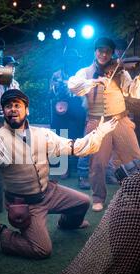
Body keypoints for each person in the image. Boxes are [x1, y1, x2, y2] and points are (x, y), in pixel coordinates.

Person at [0, 89, 117, 259]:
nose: (13, 109)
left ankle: (66, 224)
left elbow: (75, 147)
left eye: (17, 105)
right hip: (26, 204)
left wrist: (100, 132)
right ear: (4, 111)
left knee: (83, 202)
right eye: (8, 106)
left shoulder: (42, 134)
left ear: (26, 110)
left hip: (50, 193)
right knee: (41, 250)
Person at [68, 37, 140, 212]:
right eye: (100, 50)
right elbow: (73, 87)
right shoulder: (85, 72)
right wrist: (95, 81)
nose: (103, 54)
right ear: (95, 51)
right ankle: (98, 197)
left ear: (112, 53)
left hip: (121, 119)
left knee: (134, 158)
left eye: (107, 51)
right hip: (96, 122)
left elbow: (135, 93)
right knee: (97, 163)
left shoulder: (120, 72)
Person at [49, 48, 89, 186]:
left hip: (77, 108)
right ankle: (63, 167)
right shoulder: (57, 74)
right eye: (69, 59)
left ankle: (81, 171)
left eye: (74, 59)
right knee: (61, 136)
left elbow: (85, 92)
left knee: (78, 137)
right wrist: (59, 90)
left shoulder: (81, 74)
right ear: (65, 61)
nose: (71, 61)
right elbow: (51, 93)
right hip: (61, 109)